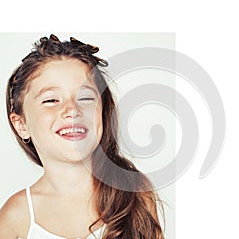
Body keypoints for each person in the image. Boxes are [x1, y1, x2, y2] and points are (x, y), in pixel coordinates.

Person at [0, 34, 165, 239]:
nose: (72, 109)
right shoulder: (16, 217)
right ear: (21, 125)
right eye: (51, 100)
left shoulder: (135, 195)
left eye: (85, 97)